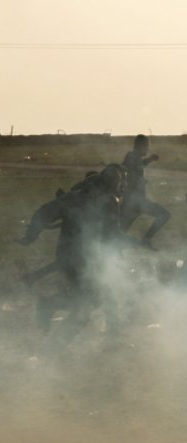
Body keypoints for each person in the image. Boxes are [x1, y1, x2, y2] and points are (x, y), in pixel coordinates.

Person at [18, 164, 135, 352]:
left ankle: (109, 339)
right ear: (112, 182)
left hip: (75, 258)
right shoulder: (108, 200)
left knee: (100, 297)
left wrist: (30, 236)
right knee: (86, 308)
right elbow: (113, 234)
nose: (124, 185)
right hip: (82, 260)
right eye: (122, 180)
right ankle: (50, 345)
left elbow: (43, 213)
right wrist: (137, 243)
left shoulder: (76, 197)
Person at [120, 134, 170, 250]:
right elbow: (131, 167)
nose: (148, 148)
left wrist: (150, 160)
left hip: (135, 203)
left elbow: (138, 165)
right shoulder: (131, 157)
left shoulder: (134, 157)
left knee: (120, 231)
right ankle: (145, 241)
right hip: (134, 203)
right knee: (164, 215)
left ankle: (111, 251)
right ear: (141, 145)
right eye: (146, 145)